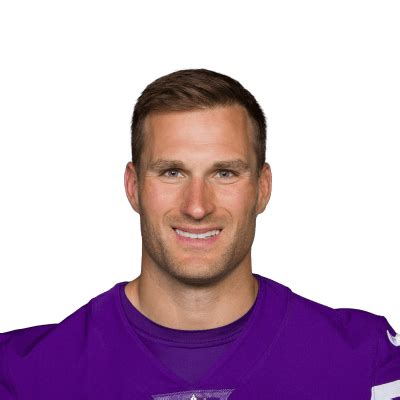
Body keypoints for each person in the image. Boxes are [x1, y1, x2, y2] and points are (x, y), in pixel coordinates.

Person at [0, 68, 399, 400]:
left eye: (224, 173)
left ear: (262, 188)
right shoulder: (18, 376)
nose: (196, 206)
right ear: (133, 187)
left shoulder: (366, 363)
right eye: (172, 172)